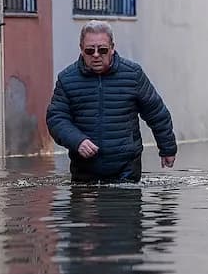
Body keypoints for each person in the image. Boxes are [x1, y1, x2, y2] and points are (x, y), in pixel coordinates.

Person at [46, 20, 177, 183]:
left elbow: (156, 113)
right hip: (85, 171)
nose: (95, 55)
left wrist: (167, 149)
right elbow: (56, 118)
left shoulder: (133, 74)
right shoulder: (67, 79)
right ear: (81, 49)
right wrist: (77, 140)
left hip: (126, 169)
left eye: (102, 50)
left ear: (112, 48)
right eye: (89, 50)